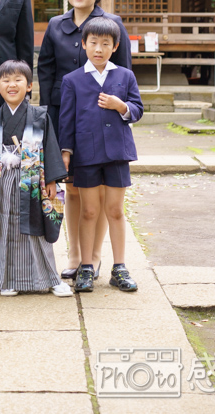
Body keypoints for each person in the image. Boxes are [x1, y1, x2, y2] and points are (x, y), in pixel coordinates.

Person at [37, 0, 131, 280]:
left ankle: (95, 256)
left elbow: (124, 76)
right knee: (73, 190)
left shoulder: (112, 23)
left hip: (103, 123)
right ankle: (76, 256)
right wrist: (48, 119)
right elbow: (46, 73)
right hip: (66, 122)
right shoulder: (54, 26)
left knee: (101, 192)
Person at [0, 59, 72, 297]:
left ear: (29, 86)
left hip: (32, 182)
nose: (11, 85)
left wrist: (52, 180)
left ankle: (50, 278)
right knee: (2, 227)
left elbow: (50, 147)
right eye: (5, 80)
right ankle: (6, 279)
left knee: (36, 227)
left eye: (18, 80)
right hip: (1, 181)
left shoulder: (39, 115)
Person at [59, 17, 143, 293]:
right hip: (85, 154)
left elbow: (138, 109)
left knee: (115, 211)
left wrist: (122, 106)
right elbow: (66, 119)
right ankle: (86, 266)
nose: (99, 49)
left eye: (105, 44)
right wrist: (66, 152)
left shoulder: (124, 76)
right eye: (93, 43)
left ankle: (119, 267)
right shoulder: (72, 80)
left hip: (117, 152)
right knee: (90, 211)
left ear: (115, 46)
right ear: (83, 44)